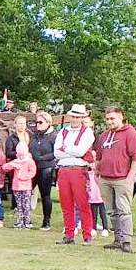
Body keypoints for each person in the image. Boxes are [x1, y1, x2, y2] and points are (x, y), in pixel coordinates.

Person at [95, 106, 136, 253]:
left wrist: (130, 177)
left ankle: (126, 241)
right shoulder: (104, 136)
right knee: (111, 211)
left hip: (122, 178)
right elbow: (99, 157)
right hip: (105, 179)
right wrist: (97, 173)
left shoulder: (130, 134)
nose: (109, 121)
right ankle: (118, 239)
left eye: (112, 118)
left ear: (121, 117)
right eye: (107, 119)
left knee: (123, 211)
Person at [53, 104, 96, 245]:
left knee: (82, 202)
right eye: (73, 116)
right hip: (64, 169)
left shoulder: (87, 132)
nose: (75, 119)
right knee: (66, 204)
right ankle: (69, 234)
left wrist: (65, 148)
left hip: (78, 170)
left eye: (78, 117)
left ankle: (87, 234)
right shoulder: (63, 131)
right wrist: (73, 151)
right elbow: (56, 152)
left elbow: (81, 151)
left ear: (82, 118)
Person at [29, 111, 57, 230]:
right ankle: (25, 218)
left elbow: (56, 152)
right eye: (36, 122)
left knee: (45, 195)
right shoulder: (34, 135)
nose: (37, 124)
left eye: (40, 122)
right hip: (32, 167)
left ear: (48, 123)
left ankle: (46, 221)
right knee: (26, 192)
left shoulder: (54, 136)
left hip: (46, 168)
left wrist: (42, 158)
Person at [1, 141, 37, 228]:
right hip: (16, 187)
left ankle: (27, 222)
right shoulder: (16, 161)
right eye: (19, 155)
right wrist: (13, 165)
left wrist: (24, 177)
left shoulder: (30, 161)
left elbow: (32, 172)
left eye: (22, 155)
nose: (21, 157)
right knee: (19, 205)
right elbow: (4, 167)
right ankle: (20, 221)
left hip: (26, 187)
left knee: (26, 205)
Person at [88, 151, 109, 236]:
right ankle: (93, 227)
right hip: (92, 194)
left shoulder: (101, 166)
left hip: (101, 193)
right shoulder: (88, 168)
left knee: (103, 212)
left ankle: (105, 228)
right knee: (93, 211)